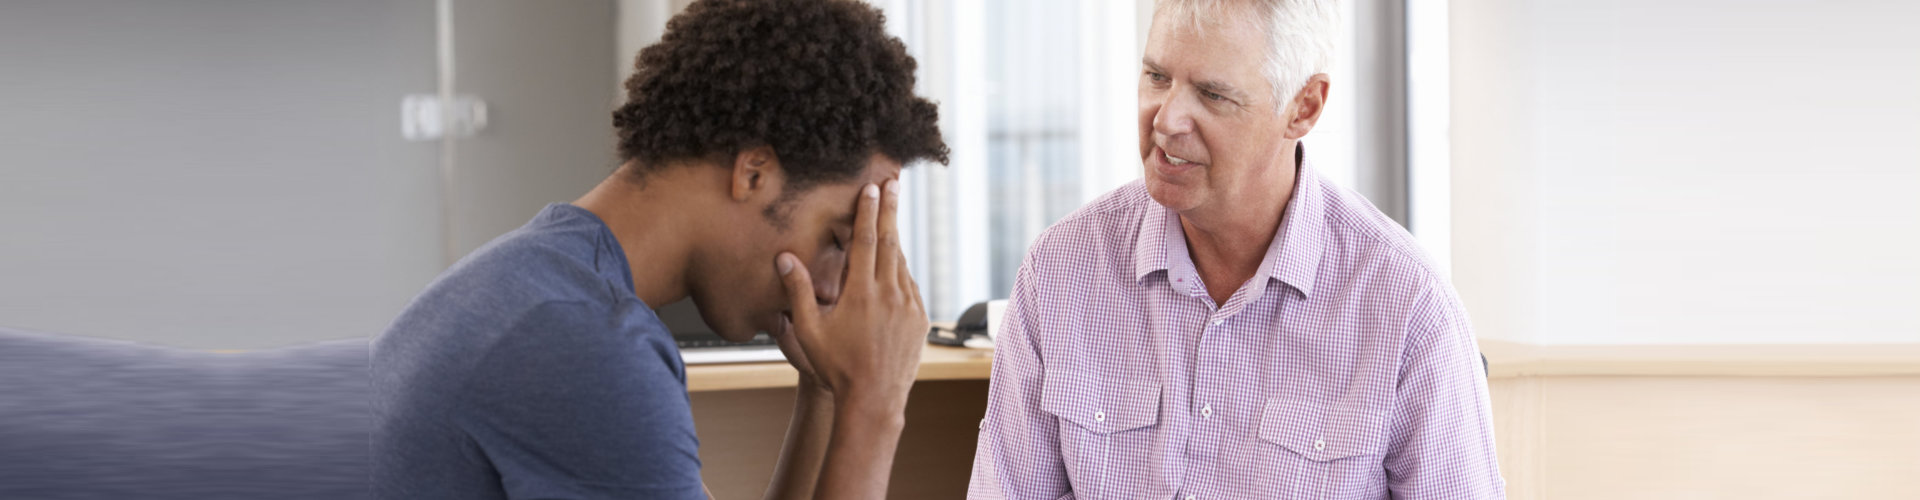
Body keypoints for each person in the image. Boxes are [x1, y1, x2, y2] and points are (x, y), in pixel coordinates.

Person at [371, 0, 948, 498]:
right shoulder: (582, 343)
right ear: (753, 173)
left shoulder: (547, 283)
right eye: (838, 240)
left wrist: (827, 390)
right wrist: (874, 404)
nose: (833, 289)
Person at [966, 0, 1504, 498]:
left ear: (1304, 107)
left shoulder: (1409, 306)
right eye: (1157, 77)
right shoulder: (1060, 270)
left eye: (1213, 94)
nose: (1166, 119)